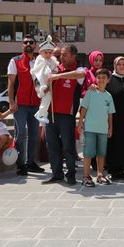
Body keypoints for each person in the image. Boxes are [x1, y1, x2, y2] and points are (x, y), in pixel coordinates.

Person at [42, 44, 86, 185]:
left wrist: (58, 76)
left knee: (68, 146)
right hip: (51, 113)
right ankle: (57, 174)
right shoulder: (55, 68)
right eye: (61, 55)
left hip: (67, 115)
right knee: (52, 145)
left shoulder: (78, 69)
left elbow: (81, 75)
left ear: (73, 56)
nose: (61, 57)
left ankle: (71, 175)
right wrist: (44, 88)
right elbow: (45, 87)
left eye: (65, 54)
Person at [7, 34, 44, 176]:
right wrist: (11, 102)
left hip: (35, 104)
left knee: (34, 135)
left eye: (31, 42)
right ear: (22, 45)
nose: (28, 44)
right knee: (20, 134)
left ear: (35, 45)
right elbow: (11, 83)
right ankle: (21, 164)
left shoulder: (39, 61)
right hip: (20, 105)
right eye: (25, 42)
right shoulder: (15, 61)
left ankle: (31, 163)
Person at [77, 68, 115, 187]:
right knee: (88, 153)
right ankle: (86, 176)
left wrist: (110, 128)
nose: (101, 80)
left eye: (104, 78)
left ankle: (100, 175)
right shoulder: (91, 92)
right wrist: (80, 122)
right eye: (99, 78)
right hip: (90, 129)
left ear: (108, 80)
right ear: (96, 79)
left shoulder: (109, 96)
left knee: (101, 153)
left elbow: (110, 114)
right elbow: (84, 108)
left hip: (103, 129)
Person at [30, 35, 59, 124]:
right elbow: (37, 74)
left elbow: (55, 69)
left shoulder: (52, 60)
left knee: (48, 100)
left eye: (50, 52)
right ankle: (40, 115)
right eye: (46, 52)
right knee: (46, 99)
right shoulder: (40, 61)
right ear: (41, 52)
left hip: (49, 83)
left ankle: (41, 114)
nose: (48, 54)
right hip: (42, 83)